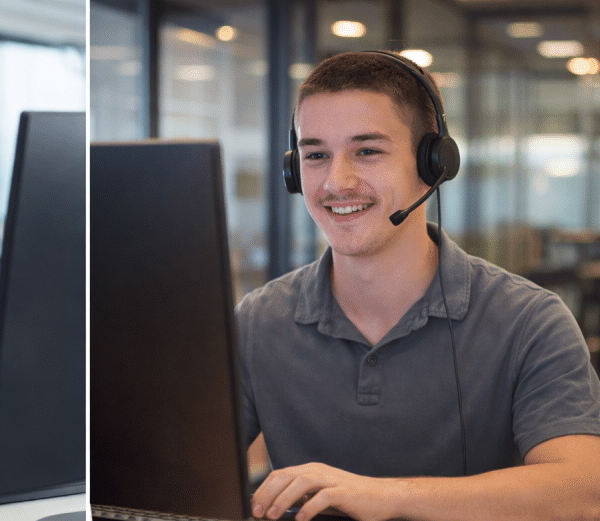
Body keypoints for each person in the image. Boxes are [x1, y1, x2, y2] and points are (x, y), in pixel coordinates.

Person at [237, 51, 600, 521]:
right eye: (316, 155)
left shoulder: (529, 320)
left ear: (433, 164)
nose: (335, 181)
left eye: (367, 151)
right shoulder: (257, 321)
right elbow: (180, 470)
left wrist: (389, 497)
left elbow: (583, 490)